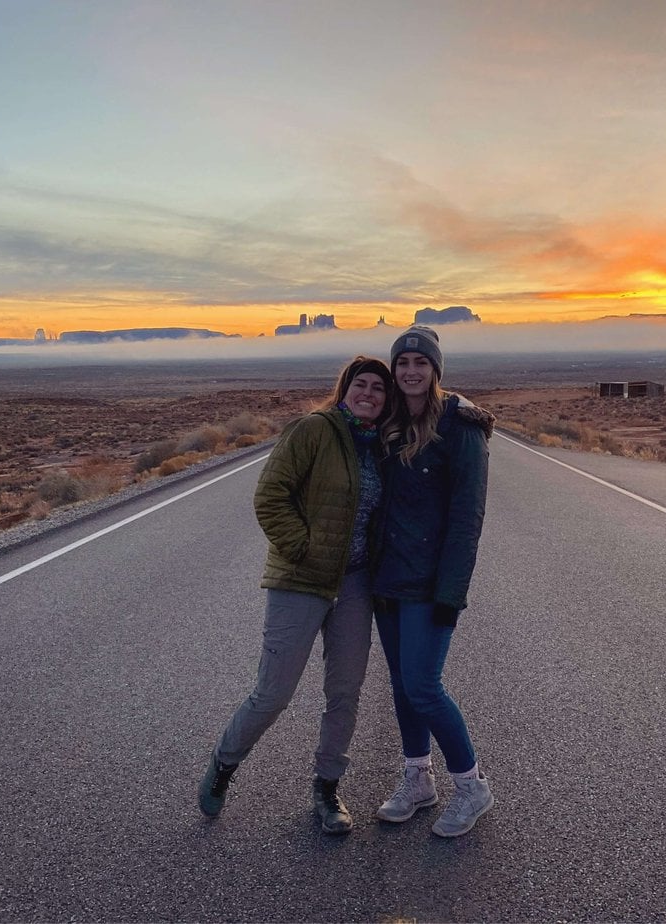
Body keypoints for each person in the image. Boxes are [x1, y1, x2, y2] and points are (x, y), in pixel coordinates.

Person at [198, 356, 393, 835]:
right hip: (300, 581)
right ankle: (225, 762)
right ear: (344, 388)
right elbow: (270, 495)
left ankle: (327, 789)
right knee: (274, 692)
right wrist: (302, 549)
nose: (369, 394)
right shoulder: (313, 430)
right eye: (360, 384)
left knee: (344, 692)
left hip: (355, 585)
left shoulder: (385, 445)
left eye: (378, 389)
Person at [372, 326, 496, 838]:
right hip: (388, 579)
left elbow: (468, 518)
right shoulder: (389, 423)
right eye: (402, 363)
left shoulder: (460, 426)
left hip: (430, 583)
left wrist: (451, 593)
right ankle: (417, 778)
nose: (410, 372)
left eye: (421, 363)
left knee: (424, 685)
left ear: (436, 370)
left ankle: (471, 785)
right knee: (403, 686)